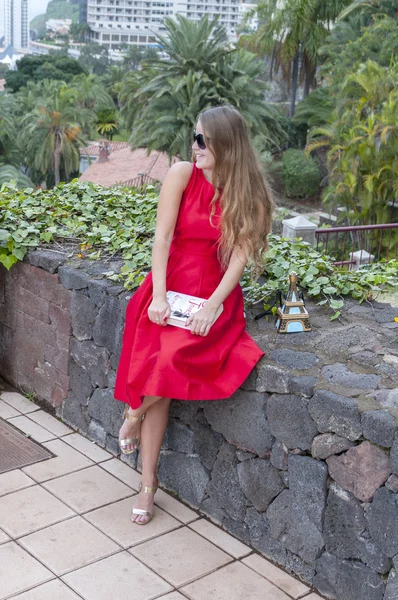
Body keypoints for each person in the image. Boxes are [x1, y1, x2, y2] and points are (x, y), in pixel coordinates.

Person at [114, 105, 274, 524]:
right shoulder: (182, 174)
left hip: (212, 294)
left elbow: (239, 257)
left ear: (225, 145)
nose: (195, 145)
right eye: (194, 137)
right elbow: (162, 238)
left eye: (203, 140)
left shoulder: (249, 196)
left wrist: (214, 303)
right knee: (158, 371)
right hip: (169, 286)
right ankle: (148, 485)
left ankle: (132, 416)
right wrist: (160, 297)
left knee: (165, 365)